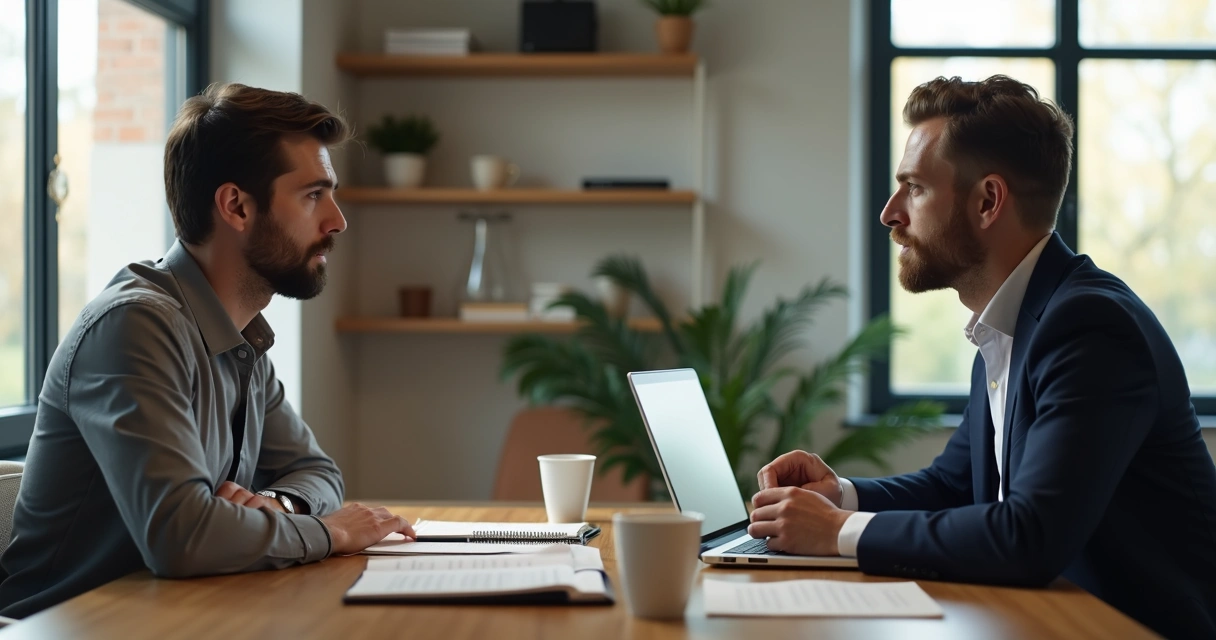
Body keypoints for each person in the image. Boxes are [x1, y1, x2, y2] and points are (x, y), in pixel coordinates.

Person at [747, 75, 1216, 639]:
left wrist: (837, 531)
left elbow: (1030, 536)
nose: (890, 213)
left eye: (914, 188)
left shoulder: (1090, 328)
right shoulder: (1010, 325)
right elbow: (954, 486)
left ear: (988, 201)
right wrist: (839, 496)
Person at [0, 83, 415, 618]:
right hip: (66, 626)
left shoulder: (242, 337)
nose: (337, 220)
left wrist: (277, 506)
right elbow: (183, 536)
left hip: (178, 615)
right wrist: (329, 532)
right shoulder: (135, 327)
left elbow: (318, 471)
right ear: (236, 206)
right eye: (313, 195)